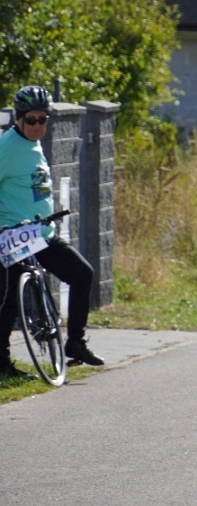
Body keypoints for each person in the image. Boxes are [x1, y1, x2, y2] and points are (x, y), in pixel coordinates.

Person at [1, 85, 105, 380]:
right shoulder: (6, 148)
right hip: (13, 237)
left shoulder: (33, 145)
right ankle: (1, 364)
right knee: (8, 301)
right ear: (18, 118)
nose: (38, 126)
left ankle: (75, 343)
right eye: (31, 120)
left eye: (43, 120)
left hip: (40, 234)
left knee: (82, 274)